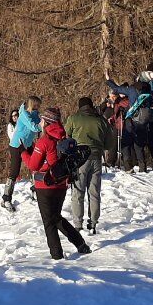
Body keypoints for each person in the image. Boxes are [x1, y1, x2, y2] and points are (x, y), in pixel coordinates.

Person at [22, 106, 91, 260]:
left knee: (49, 221)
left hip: (45, 185)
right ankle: (80, 244)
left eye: (42, 120)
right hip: (61, 184)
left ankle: (57, 256)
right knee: (55, 217)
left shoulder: (44, 140)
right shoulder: (63, 137)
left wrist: (23, 153)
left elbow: (33, 165)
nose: (40, 122)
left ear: (47, 122)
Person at [65, 96, 112, 233]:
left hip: (79, 159)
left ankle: (78, 224)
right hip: (96, 158)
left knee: (78, 192)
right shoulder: (101, 120)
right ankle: (93, 223)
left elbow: (66, 139)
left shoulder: (73, 119)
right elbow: (109, 143)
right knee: (94, 192)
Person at [3, 97, 42, 211]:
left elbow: (39, 125)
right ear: (33, 105)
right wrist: (44, 123)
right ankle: (6, 198)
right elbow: (34, 127)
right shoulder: (24, 114)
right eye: (37, 105)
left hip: (27, 144)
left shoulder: (34, 113)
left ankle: (36, 191)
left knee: (36, 166)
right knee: (14, 172)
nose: (39, 108)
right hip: (17, 145)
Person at [123, 82, 153, 172]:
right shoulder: (149, 96)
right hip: (144, 124)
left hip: (133, 122)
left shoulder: (134, 93)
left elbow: (117, 89)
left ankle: (128, 167)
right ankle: (142, 167)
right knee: (139, 147)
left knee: (127, 145)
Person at [102, 88, 131, 169]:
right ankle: (111, 161)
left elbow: (116, 113)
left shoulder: (120, 102)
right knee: (113, 143)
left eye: (113, 97)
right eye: (111, 97)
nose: (111, 98)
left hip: (119, 124)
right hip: (115, 124)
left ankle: (112, 161)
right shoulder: (111, 101)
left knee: (115, 143)